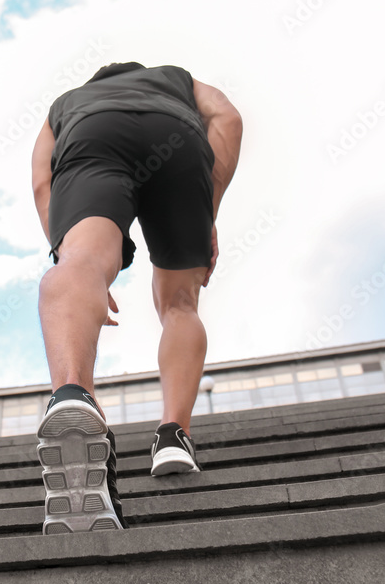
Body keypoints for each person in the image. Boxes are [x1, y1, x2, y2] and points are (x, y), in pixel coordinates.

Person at [30, 62, 242, 534]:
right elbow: (227, 117)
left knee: (80, 262)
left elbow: (43, 181)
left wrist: (76, 263)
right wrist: (207, 207)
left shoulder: (66, 104)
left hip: (92, 136)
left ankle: (72, 396)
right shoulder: (178, 80)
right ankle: (174, 434)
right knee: (180, 305)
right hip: (178, 135)